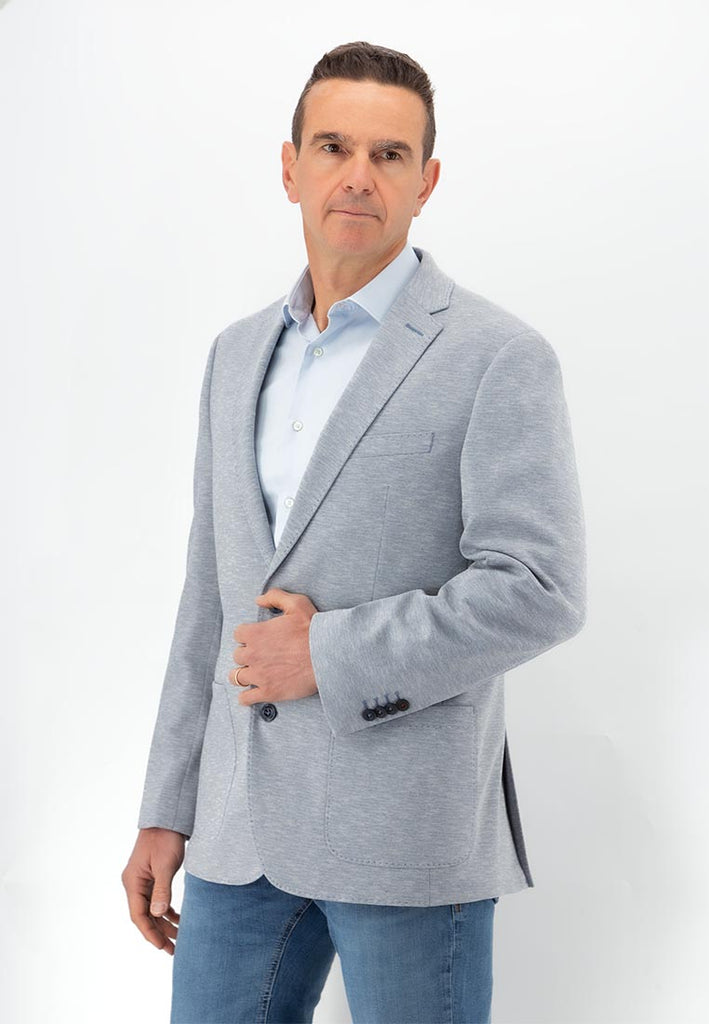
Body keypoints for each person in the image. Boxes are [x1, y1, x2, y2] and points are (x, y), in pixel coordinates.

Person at [121, 40, 587, 1024]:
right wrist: (167, 805)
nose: (357, 176)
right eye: (333, 146)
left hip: (403, 835)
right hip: (239, 835)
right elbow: (208, 592)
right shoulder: (234, 355)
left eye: (388, 154)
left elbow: (539, 588)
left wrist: (326, 654)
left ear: (426, 181)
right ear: (290, 166)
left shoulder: (496, 356)